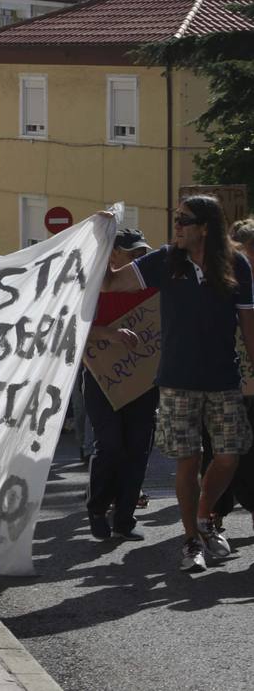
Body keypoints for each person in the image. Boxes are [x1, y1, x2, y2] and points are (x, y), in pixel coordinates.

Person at [104, 196, 254, 572]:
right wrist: (99, 238)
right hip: (177, 381)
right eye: (175, 219)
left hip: (224, 379)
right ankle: (191, 541)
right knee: (187, 462)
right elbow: (110, 284)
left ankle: (205, 516)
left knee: (228, 457)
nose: (177, 227)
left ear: (205, 227)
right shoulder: (165, 260)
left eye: (183, 221)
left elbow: (250, 329)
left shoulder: (237, 265)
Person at [84, 228, 159, 541]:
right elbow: (73, 328)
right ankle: (98, 508)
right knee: (111, 445)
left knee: (138, 447)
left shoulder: (151, 285)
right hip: (102, 377)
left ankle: (124, 519)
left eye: (142, 252)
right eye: (133, 252)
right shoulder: (92, 286)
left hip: (144, 379)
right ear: (112, 254)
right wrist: (109, 335)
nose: (139, 258)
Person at [202, 217, 254, 533]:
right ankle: (213, 514)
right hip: (223, 380)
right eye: (248, 252)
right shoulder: (219, 285)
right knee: (220, 451)